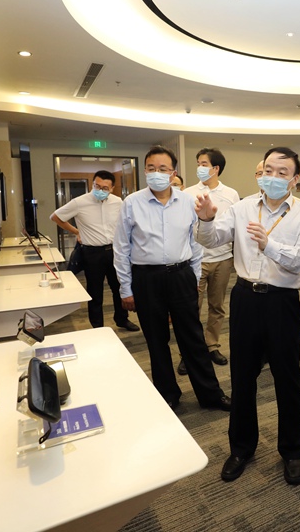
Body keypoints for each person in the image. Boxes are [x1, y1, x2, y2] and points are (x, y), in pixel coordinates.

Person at [194, 147, 300, 486]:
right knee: (242, 376)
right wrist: (206, 219)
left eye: (282, 172)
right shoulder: (242, 207)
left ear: (294, 179)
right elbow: (212, 239)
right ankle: (241, 448)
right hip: (246, 298)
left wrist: (269, 245)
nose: (273, 177)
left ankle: (292, 451)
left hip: (282, 302)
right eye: (268, 170)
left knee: (287, 378)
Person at [113, 146, 230, 412]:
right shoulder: (132, 203)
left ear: (173, 173)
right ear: (145, 171)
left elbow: (195, 243)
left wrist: (195, 277)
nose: (156, 173)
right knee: (156, 340)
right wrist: (125, 289)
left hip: (181, 275)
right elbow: (121, 248)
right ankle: (167, 394)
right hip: (147, 278)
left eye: (163, 169)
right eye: (151, 168)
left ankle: (210, 394)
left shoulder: (188, 202)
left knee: (193, 338)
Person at [50, 170, 139, 332]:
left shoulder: (118, 202)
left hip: (114, 251)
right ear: (93, 184)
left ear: (112, 188)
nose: (100, 190)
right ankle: (97, 327)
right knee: (95, 291)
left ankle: (122, 319)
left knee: (119, 287)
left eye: (105, 188)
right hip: (92, 253)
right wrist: (77, 232)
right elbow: (55, 217)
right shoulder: (79, 202)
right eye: (97, 186)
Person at [182, 148, 240, 369]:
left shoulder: (231, 194)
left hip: (222, 259)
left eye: (204, 163)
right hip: (195, 260)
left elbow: (235, 228)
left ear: (216, 168)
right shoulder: (188, 193)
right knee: (191, 307)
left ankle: (212, 345)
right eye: (198, 163)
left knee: (217, 306)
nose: (199, 167)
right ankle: (190, 351)